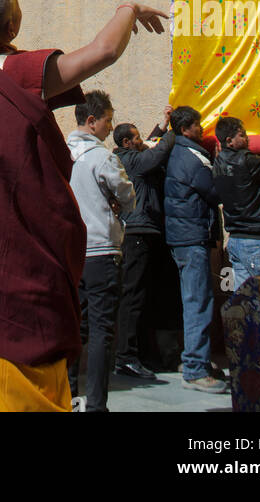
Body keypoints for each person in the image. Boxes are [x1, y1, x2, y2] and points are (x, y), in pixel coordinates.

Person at [0, 0, 167, 411]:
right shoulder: (19, 69)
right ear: (11, 28)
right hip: (9, 251)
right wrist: (128, 9)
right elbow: (103, 51)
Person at [67, 90, 135, 412]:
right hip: (101, 250)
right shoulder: (102, 158)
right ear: (92, 122)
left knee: (73, 328)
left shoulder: (60, 154)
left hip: (70, 253)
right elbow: (127, 196)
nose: (111, 127)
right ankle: (96, 405)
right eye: (108, 120)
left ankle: (66, 396)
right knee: (101, 331)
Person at [164, 106, 226, 393]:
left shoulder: (181, 153)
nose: (202, 129)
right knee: (198, 301)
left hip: (184, 237)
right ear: (186, 128)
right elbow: (214, 191)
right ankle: (195, 367)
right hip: (191, 238)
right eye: (198, 125)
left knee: (194, 300)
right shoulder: (191, 158)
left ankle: (194, 358)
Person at [113, 106, 175, 379]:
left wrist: (162, 126)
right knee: (133, 296)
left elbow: (150, 144)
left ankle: (140, 354)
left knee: (143, 296)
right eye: (135, 138)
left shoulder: (132, 156)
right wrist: (177, 131)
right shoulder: (131, 161)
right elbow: (156, 152)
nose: (141, 141)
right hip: (137, 234)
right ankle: (126, 356)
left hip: (145, 234)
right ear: (127, 142)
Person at [213, 116, 260, 290]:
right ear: (229, 141)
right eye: (242, 135)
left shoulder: (218, 162)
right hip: (258, 242)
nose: (247, 138)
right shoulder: (245, 161)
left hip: (236, 240)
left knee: (246, 302)